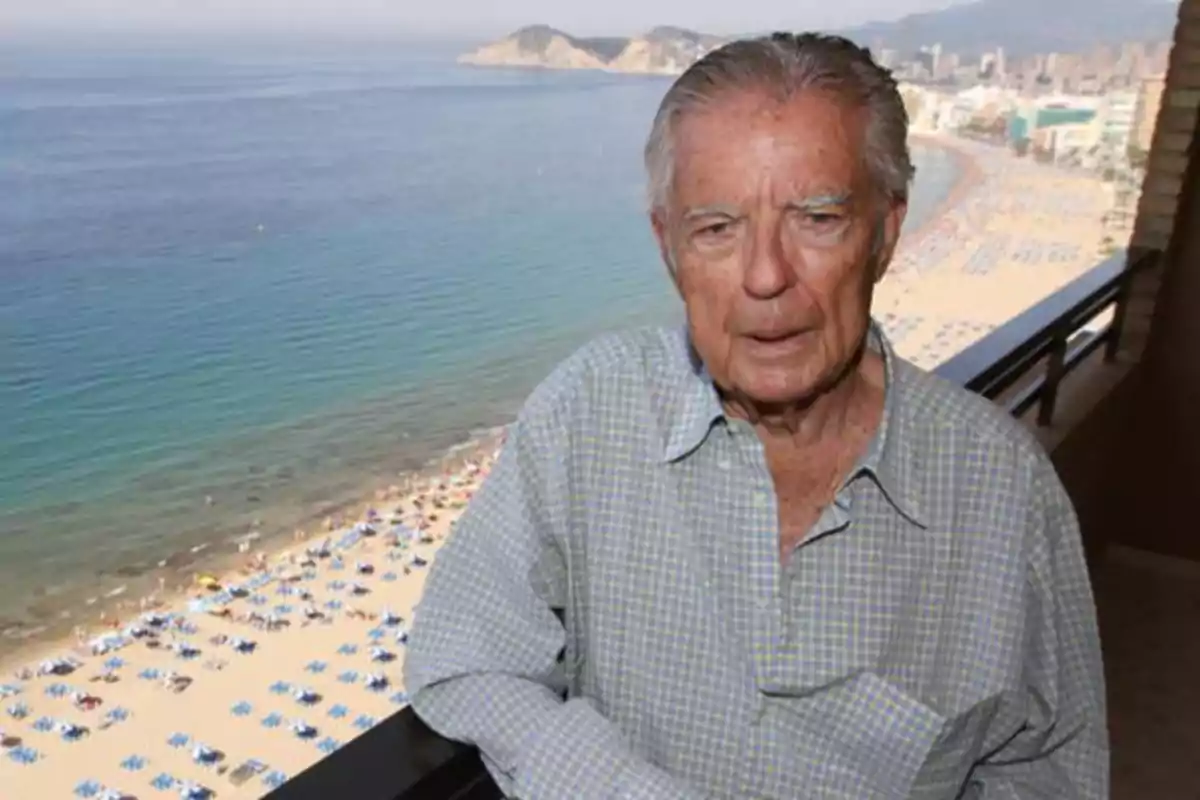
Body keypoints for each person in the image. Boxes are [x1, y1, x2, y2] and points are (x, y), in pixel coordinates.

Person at [404, 33, 1107, 799]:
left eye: (817, 218)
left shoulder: (1003, 493)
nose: (767, 276)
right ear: (668, 247)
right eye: (717, 229)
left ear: (886, 232)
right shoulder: (592, 411)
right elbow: (460, 654)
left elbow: (1047, 777)